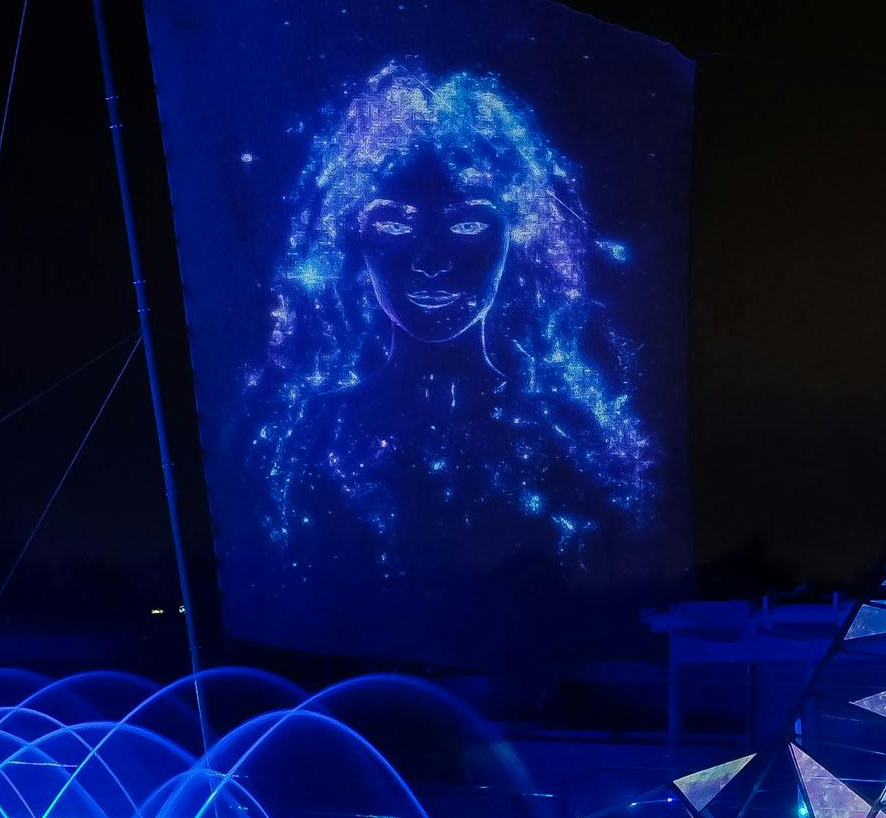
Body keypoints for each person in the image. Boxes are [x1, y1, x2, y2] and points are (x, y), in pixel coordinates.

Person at [233, 62, 659, 608]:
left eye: (467, 224)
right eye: (394, 224)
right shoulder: (308, 439)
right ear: (352, 237)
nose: (431, 262)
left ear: (518, 238)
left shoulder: (572, 440)